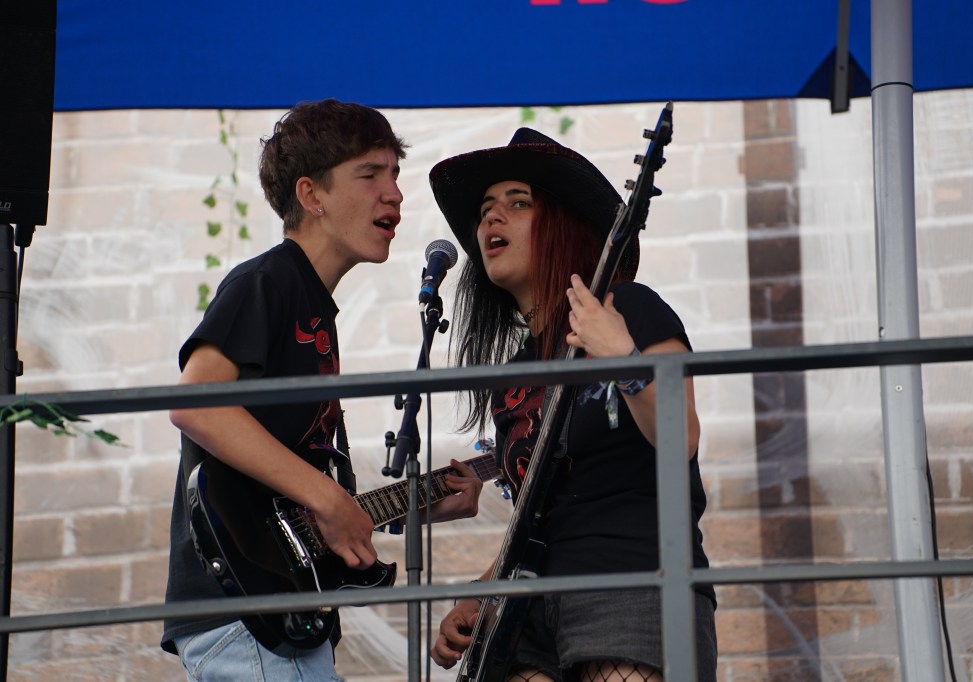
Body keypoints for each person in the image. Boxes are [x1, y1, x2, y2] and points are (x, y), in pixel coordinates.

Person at [160, 99, 483, 680]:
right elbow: (195, 402)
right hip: (244, 615)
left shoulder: (312, 305)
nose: (395, 194)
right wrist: (329, 500)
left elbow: (297, 506)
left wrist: (410, 505)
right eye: (370, 174)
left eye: (395, 175)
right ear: (312, 195)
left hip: (276, 617)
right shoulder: (268, 282)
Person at [427, 128, 717, 681]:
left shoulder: (628, 308)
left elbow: (681, 436)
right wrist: (480, 592)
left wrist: (623, 357)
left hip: (629, 582)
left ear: (563, 223)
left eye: (518, 203)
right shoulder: (512, 379)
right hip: (529, 608)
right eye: (485, 211)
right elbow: (543, 517)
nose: (492, 218)